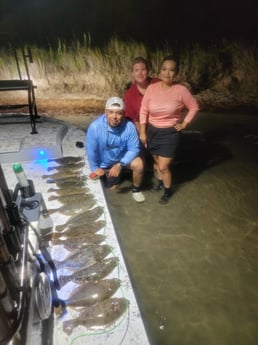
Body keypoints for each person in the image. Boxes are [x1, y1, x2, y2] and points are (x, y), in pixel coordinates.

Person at [139, 55, 200, 204]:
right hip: (152, 131)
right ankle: (160, 183)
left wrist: (184, 124)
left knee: (164, 166)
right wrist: (142, 131)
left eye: (171, 70)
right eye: (164, 69)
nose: (167, 73)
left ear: (176, 73)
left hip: (170, 134)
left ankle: (167, 191)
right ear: (160, 71)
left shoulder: (180, 90)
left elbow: (194, 107)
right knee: (155, 160)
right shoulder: (152, 88)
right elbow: (143, 110)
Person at [86, 96, 145, 203]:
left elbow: (134, 149)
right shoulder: (95, 127)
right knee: (108, 191)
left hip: (120, 161)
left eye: (118, 113)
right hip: (103, 164)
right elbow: (91, 150)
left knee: (139, 164)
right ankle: (112, 177)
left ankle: (136, 189)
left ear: (123, 114)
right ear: (105, 112)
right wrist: (94, 167)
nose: (114, 116)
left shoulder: (129, 126)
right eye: (111, 112)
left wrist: (119, 165)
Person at [124, 56, 159, 133]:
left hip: (164, 125)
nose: (140, 73)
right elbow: (134, 120)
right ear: (132, 73)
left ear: (148, 71)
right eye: (136, 70)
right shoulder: (129, 95)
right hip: (144, 129)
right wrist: (142, 134)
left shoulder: (158, 84)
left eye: (143, 69)